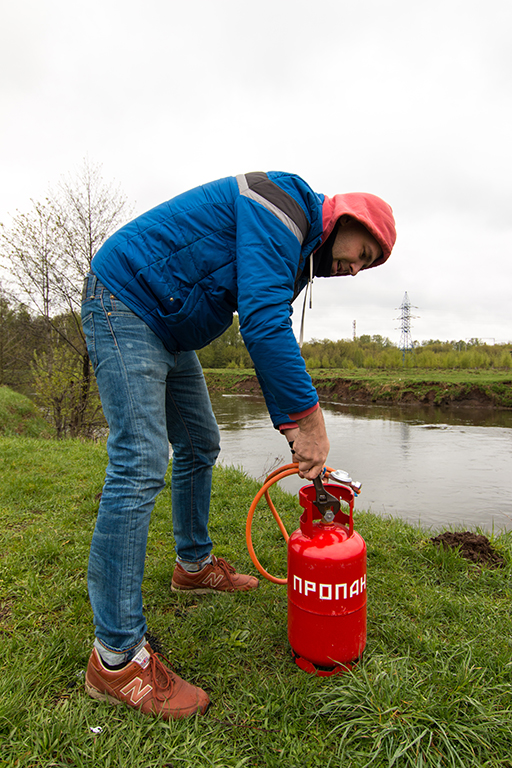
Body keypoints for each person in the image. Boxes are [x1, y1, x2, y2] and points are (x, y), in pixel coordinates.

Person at [81, 170, 396, 719]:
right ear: (344, 218)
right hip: (127, 300)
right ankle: (115, 659)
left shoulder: (297, 250)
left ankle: (193, 564)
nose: (354, 267)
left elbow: (265, 320)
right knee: (140, 462)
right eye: (361, 251)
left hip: (167, 326)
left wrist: (292, 425)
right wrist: (309, 420)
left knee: (201, 442)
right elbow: (262, 321)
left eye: (366, 265)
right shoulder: (284, 206)